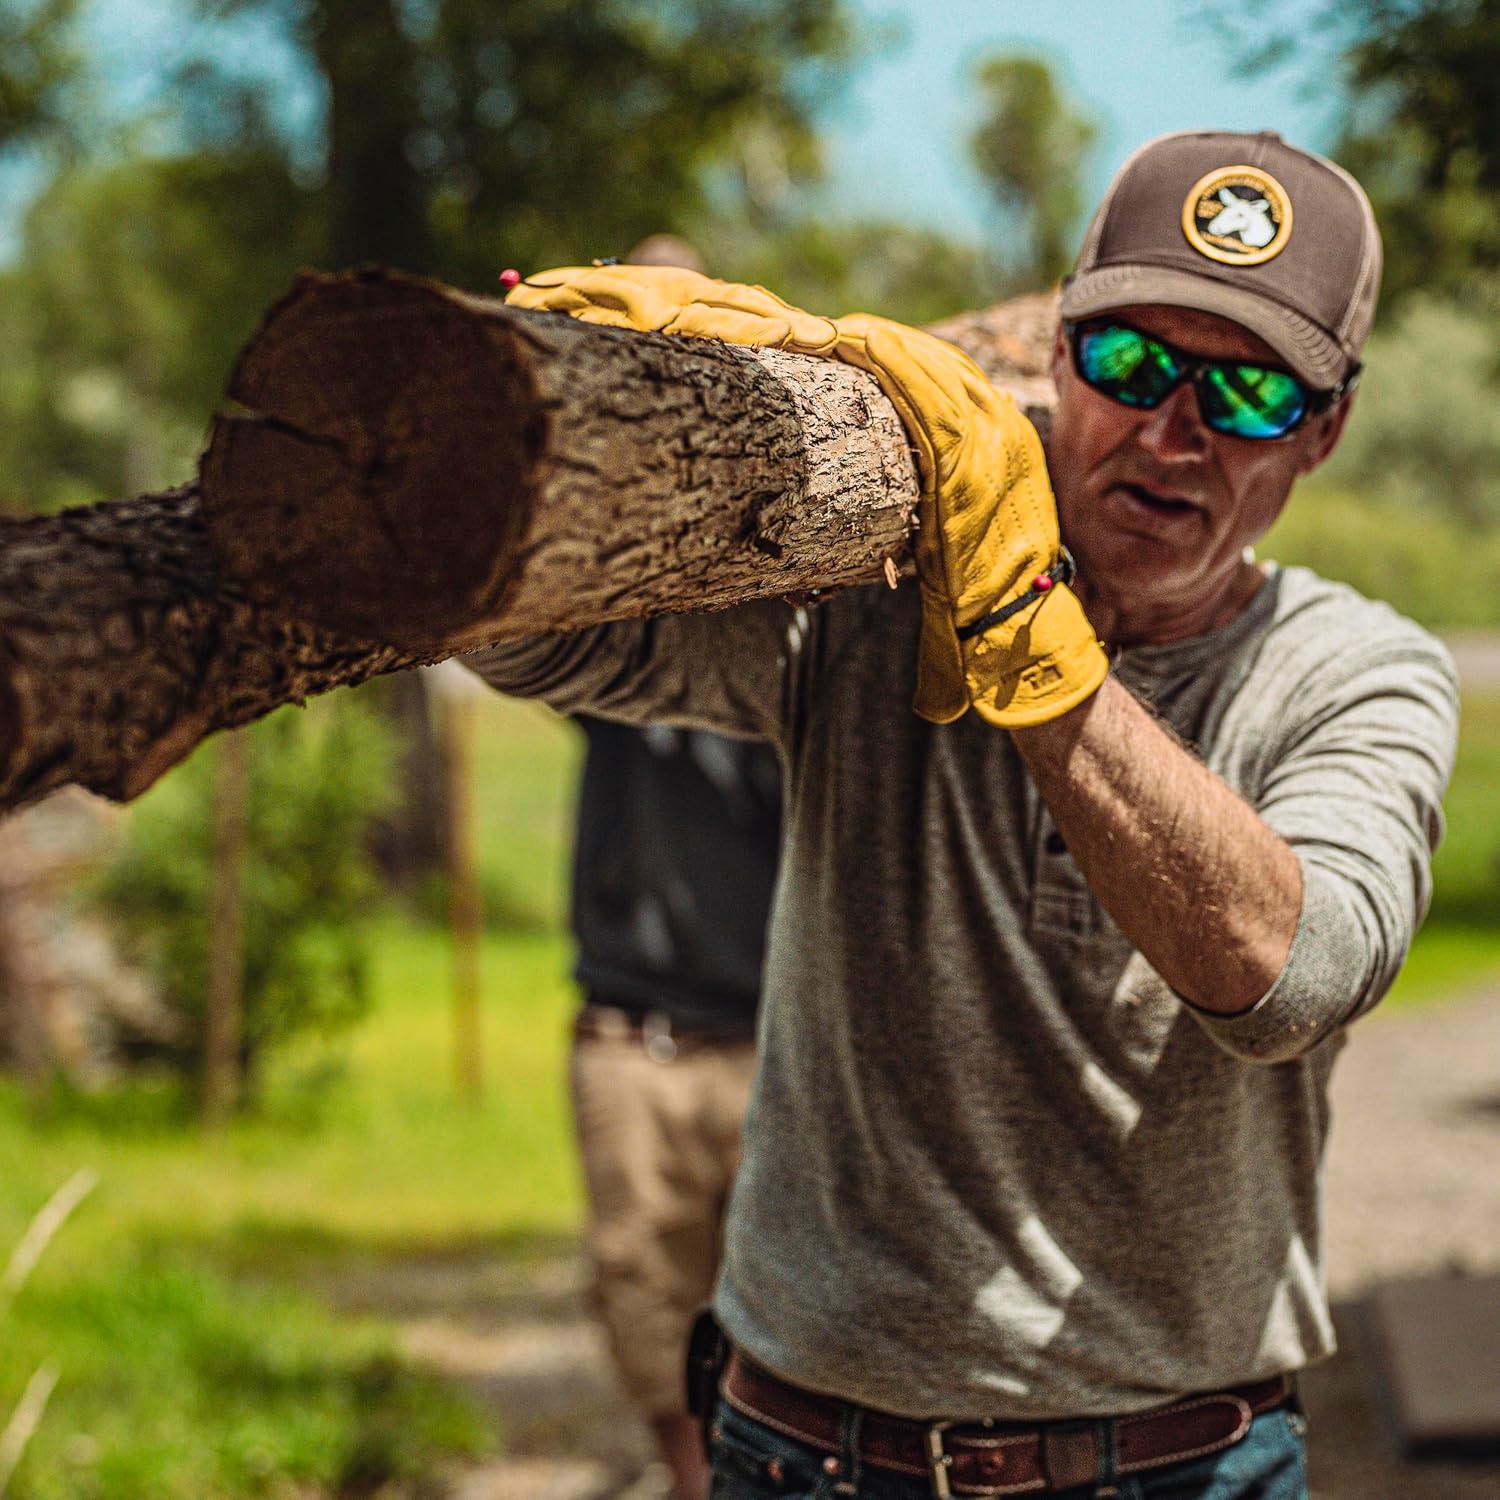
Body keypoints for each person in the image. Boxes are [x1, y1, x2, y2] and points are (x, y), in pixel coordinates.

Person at [471, 130, 1459, 1499]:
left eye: (1247, 393)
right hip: (799, 1456)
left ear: (1325, 429)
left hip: (1177, 1468)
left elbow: (1289, 977)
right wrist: (572, 431)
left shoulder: (1356, 670)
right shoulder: (874, 585)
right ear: (1058, 353)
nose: (1171, 431)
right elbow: (528, 645)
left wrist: (1027, 639)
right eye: (1130, 363)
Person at [567, 716, 780, 1500]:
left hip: (780, 1038)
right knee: (644, 1287)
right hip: (634, 1036)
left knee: (796, 1291)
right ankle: (693, 1484)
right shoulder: (625, 688)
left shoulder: (803, 682)